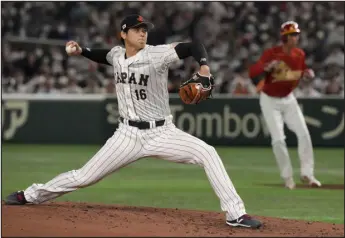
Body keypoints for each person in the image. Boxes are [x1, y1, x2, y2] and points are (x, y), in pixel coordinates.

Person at [5, 14, 261, 229]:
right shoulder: (117, 54)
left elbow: (193, 46)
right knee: (84, 177)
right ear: (123, 34)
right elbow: (102, 55)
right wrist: (82, 51)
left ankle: (235, 214)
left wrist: (204, 66)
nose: (143, 34)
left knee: (208, 152)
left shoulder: (157, 55)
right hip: (127, 135)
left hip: (162, 132)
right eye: (137, 30)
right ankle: (30, 195)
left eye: (145, 30)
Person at [249, 21, 322, 189]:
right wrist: (266, 67)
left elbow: (301, 72)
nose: (296, 37)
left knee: (304, 134)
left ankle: (308, 174)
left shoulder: (299, 54)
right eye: (292, 35)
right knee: (278, 140)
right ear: (285, 37)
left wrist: (307, 73)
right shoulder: (272, 53)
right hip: (269, 99)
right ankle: (288, 177)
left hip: (289, 98)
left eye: (296, 34)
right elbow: (253, 71)